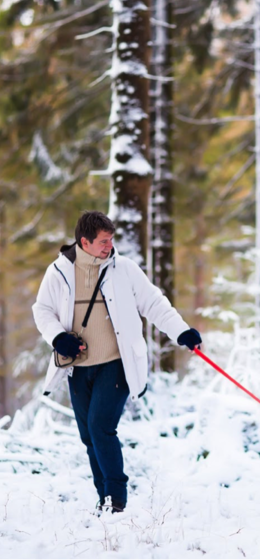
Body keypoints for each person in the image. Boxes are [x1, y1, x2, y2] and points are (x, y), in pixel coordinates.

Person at [32, 211, 202, 514]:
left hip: (116, 363)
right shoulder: (58, 272)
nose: (110, 246)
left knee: (100, 427)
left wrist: (182, 332)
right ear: (84, 242)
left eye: (111, 240)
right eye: (103, 241)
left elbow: (154, 303)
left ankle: (116, 497)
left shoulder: (124, 270)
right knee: (88, 436)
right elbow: (42, 310)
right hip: (77, 366)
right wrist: (58, 337)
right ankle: (104, 498)